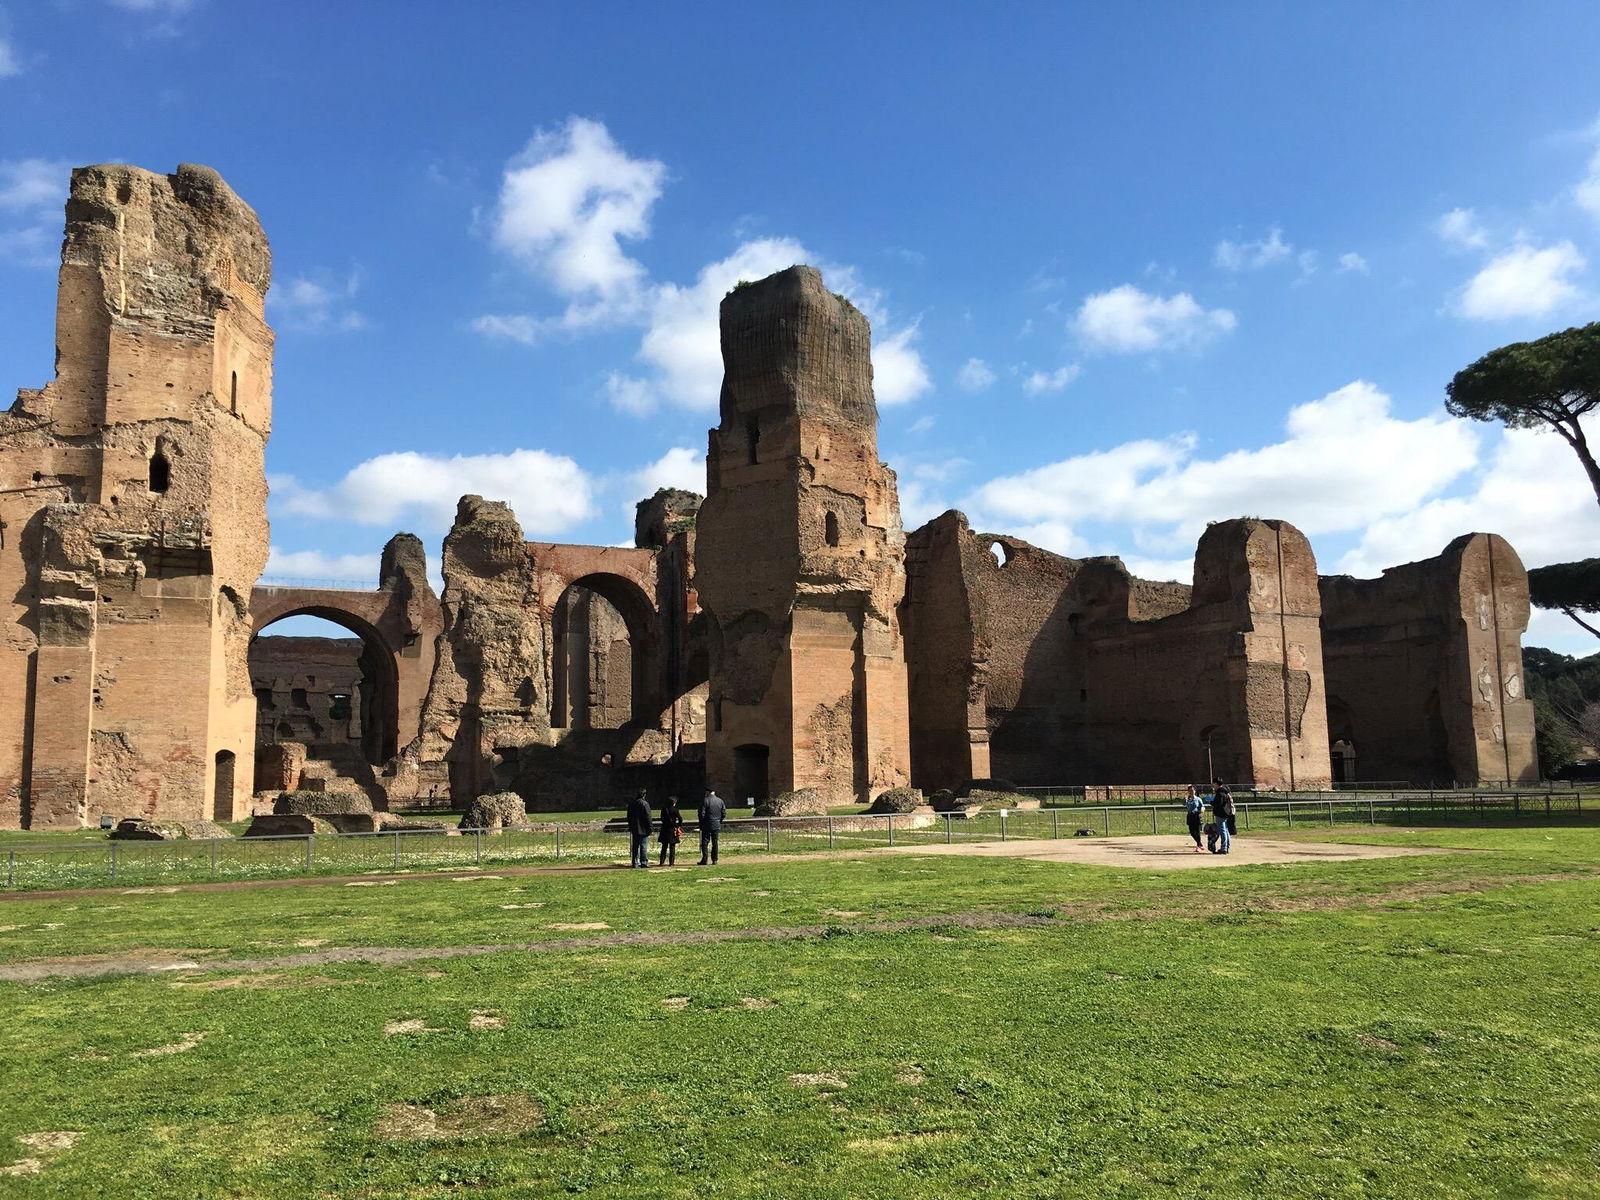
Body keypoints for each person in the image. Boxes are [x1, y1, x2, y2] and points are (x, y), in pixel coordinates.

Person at [625, 789, 653, 868]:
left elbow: (629, 816)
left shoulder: (631, 804)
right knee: (643, 845)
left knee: (635, 846)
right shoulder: (645, 804)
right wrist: (650, 827)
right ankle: (643, 862)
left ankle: (634, 862)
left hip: (634, 827)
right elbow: (648, 817)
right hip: (643, 828)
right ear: (644, 795)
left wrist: (630, 826)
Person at [698, 789, 726, 866]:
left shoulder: (705, 800)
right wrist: (719, 821)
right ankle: (715, 859)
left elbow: (701, 813)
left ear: (707, 792)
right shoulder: (720, 801)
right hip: (716, 824)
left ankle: (705, 859)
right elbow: (724, 813)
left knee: (705, 842)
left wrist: (702, 823)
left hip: (707, 824)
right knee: (715, 842)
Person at [658, 794, 683, 867]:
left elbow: (662, 818)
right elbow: (680, 819)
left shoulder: (664, 809)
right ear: (674, 802)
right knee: (672, 847)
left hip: (665, 829)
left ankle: (662, 861)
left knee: (664, 847)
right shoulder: (675, 810)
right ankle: (671, 862)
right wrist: (678, 825)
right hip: (672, 829)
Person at [1210, 782, 1234, 855]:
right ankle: (1226, 847)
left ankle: (1224, 848)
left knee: (1223, 831)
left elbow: (1219, 804)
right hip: (1225, 814)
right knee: (1225, 830)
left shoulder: (1220, 793)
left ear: (1216, 784)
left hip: (1221, 814)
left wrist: (1211, 802)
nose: (1213, 786)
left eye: (1213, 784)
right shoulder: (1225, 792)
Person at [1183, 785, 1206, 853]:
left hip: (1196, 816)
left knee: (1197, 831)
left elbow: (1202, 806)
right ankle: (1200, 844)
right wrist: (1185, 800)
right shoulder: (1188, 799)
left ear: (1195, 791)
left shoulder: (1198, 799)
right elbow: (1184, 804)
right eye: (1190, 790)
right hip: (1190, 816)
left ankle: (1198, 846)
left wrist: (1202, 810)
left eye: (1192, 790)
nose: (1191, 792)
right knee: (1192, 832)